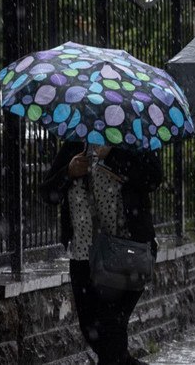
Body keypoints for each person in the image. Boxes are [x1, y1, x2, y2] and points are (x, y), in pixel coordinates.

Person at [41, 141, 162, 365]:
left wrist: (113, 155)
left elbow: (153, 178)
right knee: (92, 331)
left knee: (111, 328)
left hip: (125, 253)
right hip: (83, 256)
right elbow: (47, 194)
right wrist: (68, 172)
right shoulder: (75, 146)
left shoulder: (132, 141)